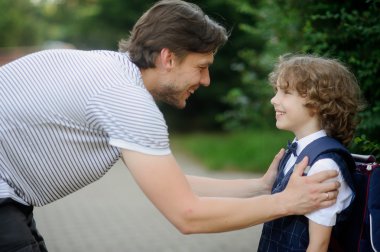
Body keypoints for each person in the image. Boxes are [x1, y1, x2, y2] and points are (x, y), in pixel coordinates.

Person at [0, 1, 340, 251]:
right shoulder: (127, 100)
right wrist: (288, 203)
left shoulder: (106, 70)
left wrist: (264, 188)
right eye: (202, 66)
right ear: (168, 58)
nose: (206, 80)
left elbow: (171, 183)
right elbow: (187, 215)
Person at [258, 54, 363, 252]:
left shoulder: (325, 165)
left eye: (286, 92)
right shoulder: (296, 150)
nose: (274, 99)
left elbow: (318, 245)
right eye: (276, 90)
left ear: (317, 103)